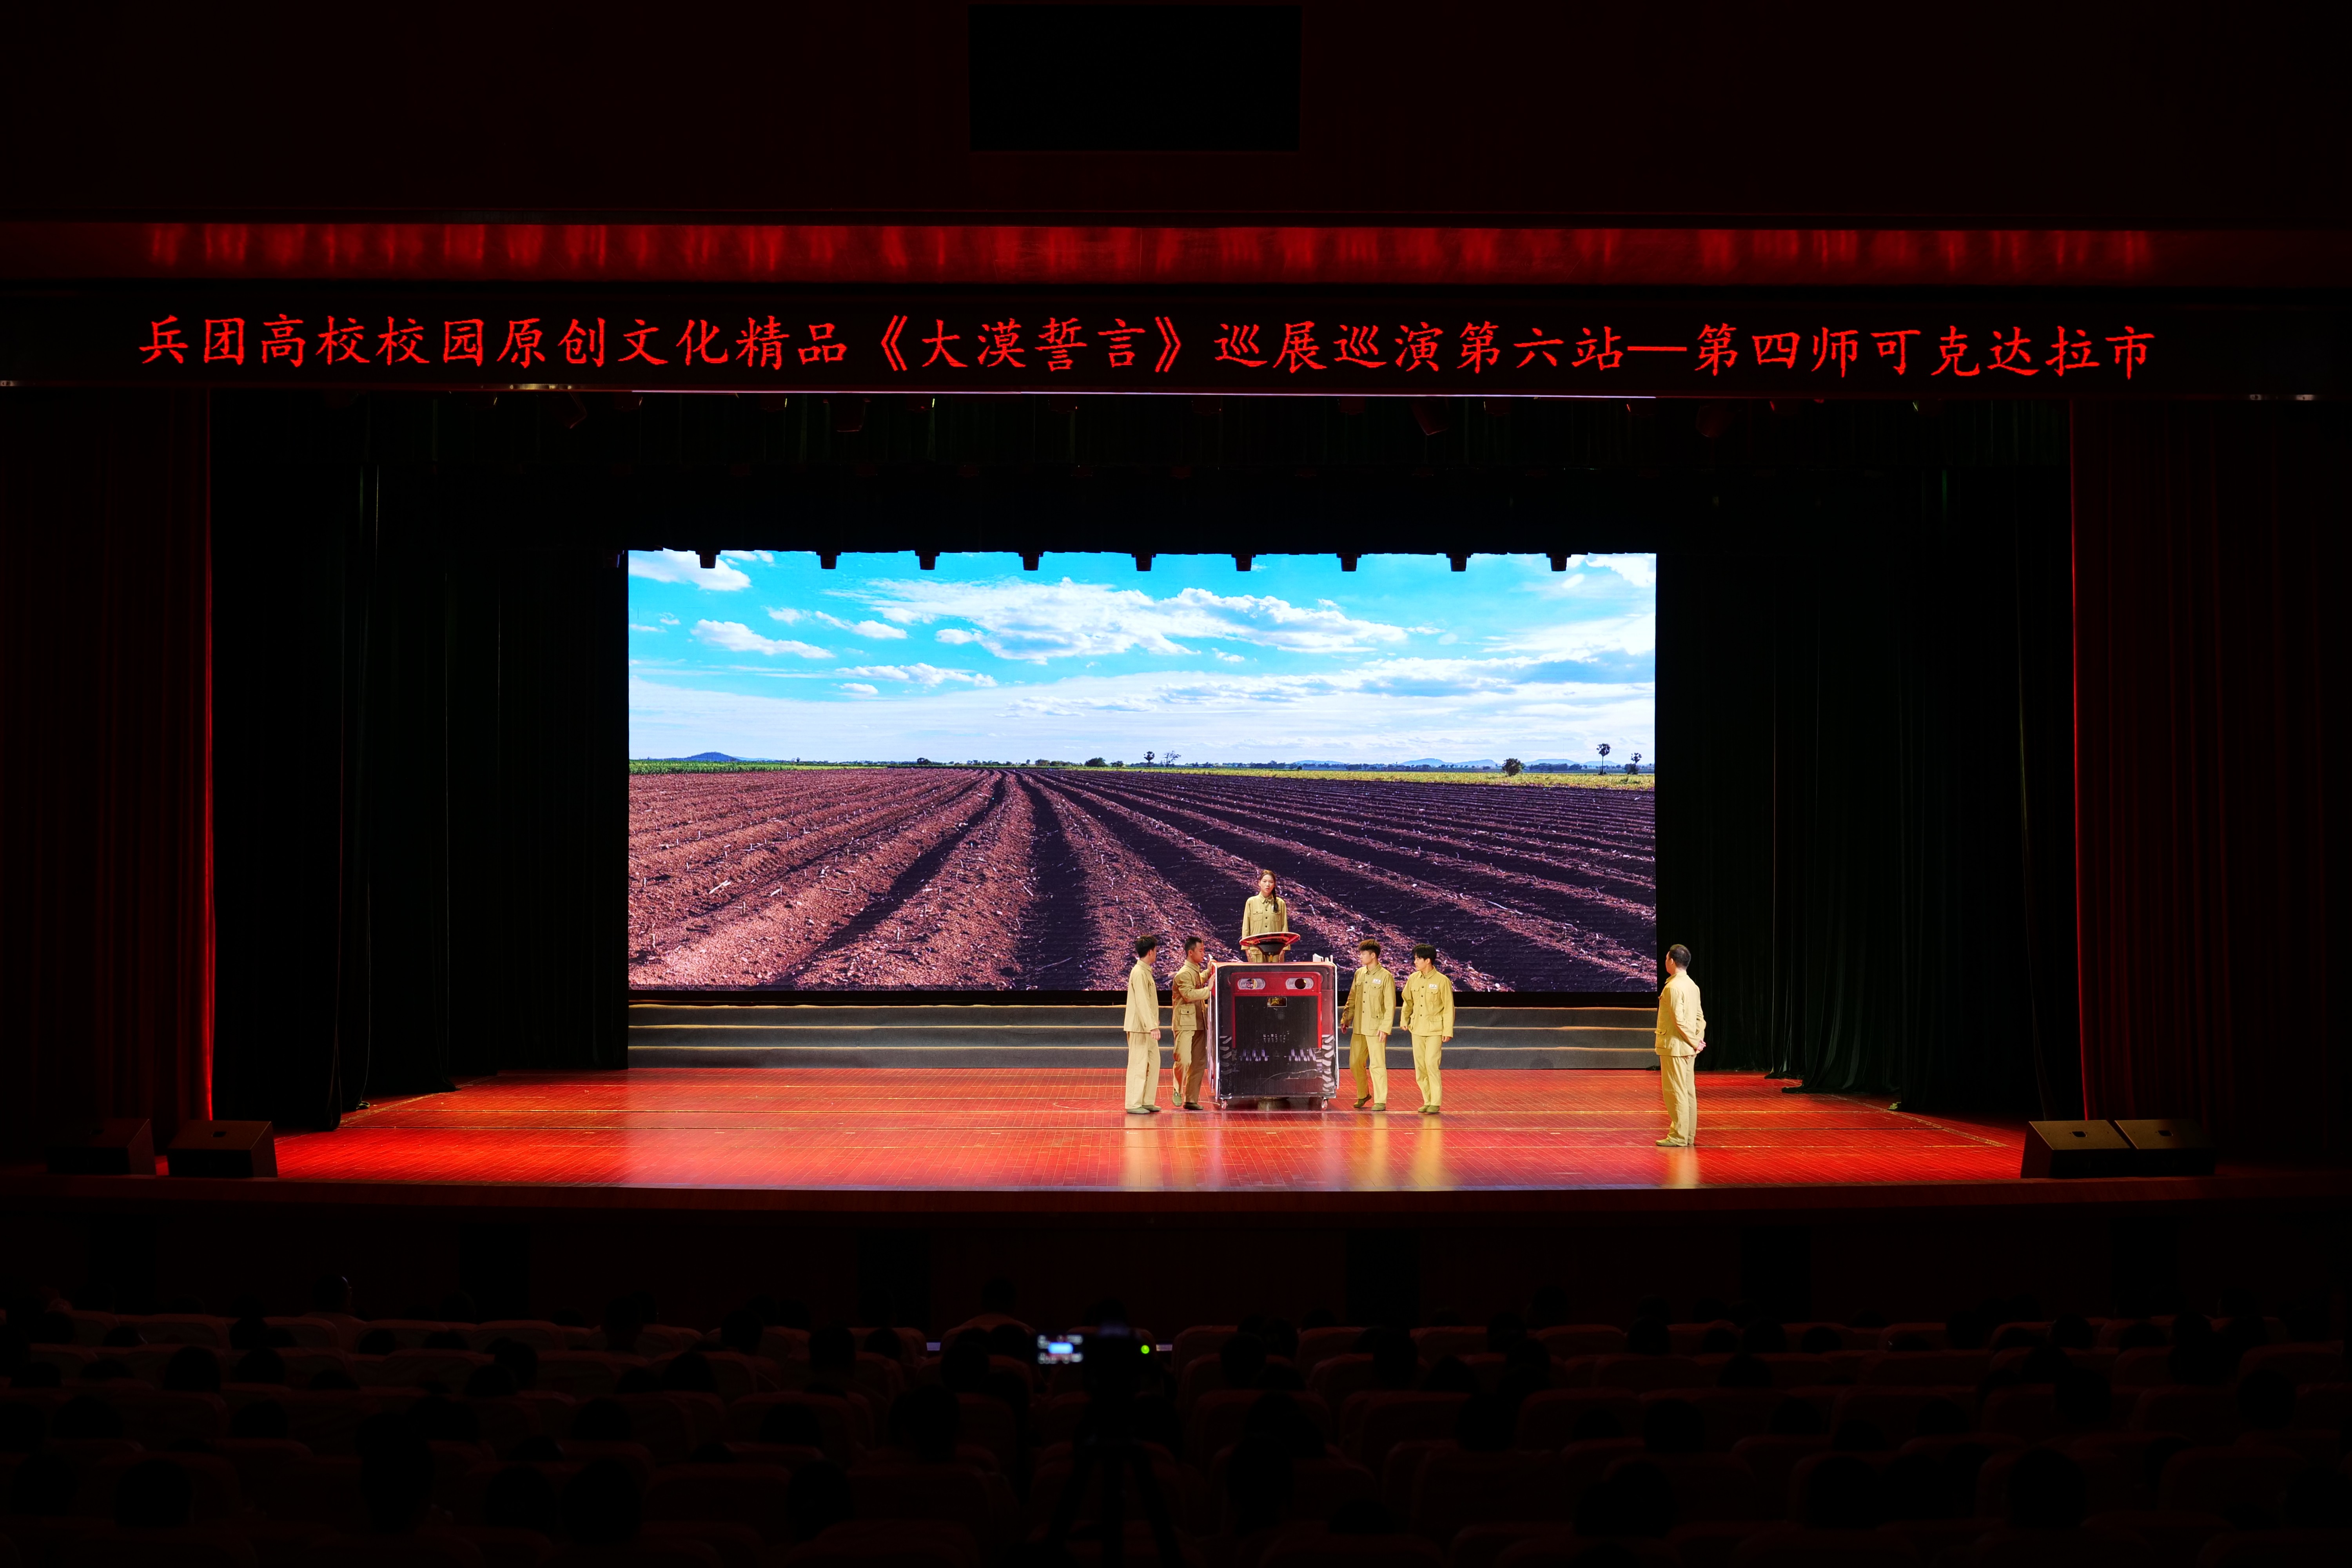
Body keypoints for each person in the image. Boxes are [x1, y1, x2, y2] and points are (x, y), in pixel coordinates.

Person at [1655, 943, 1705, 1146]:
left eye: (1667, 958)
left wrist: (1695, 1042)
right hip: (1688, 1047)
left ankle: (1679, 1136)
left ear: (1672, 962)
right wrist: (1698, 1041)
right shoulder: (1692, 986)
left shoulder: (1673, 987)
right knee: (1687, 1092)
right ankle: (1688, 1135)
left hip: (1675, 1047)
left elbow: (1679, 1020)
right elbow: (1700, 1019)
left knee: (1676, 1092)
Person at [1397, 943, 1454, 1114]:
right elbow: (1408, 1001)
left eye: (1418, 959)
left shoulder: (1442, 981)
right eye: (1415, 959)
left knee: (1431, 1064)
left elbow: (1448, 1007)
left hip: (1435, 1029)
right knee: (1421, 1067)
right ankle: (1427, 1100)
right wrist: (1404, 1019)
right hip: (1417, 1028)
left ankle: (1435, 1102)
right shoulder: (1413, 979)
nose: (1415, 962)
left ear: (1428, 961)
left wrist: (1447, 1030)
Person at [1342, 938, 1396, 1110]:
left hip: (1376, 1028)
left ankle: (1380, 1100)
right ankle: (1363, 1094)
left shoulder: (1385, 976)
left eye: (1363, 954)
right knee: (1355, 1062)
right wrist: (1346, 1019)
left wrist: (1385, 1027)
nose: (1361, 957)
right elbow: (1352, 998)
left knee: (1377, 1064)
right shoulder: (1359, 974)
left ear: (1373, 956)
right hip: (1359, 1026)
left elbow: (1390, 1004)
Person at [1169, 937, 1217, 1111]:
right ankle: (1177, 1089)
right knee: (1184, 1059)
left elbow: (1199, 980)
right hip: (1185, 1024)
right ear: (1191, 953)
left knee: (1198, 1063)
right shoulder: (1183, 974)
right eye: (1201, 951)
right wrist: (1208, 989)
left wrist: (1208, 972)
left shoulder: (1194, 971)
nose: (1203, 953)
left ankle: (1191, 1099)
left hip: (1198, 1021)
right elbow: (1189, 995)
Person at [1123, 934, 1163, 1115]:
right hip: (1140, 1027)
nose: (1156, 953)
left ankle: (1147, 1101)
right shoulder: (1139, 972)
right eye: (1156, 950)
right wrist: (1151, 1026)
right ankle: (1133, 1103)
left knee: (1154, 1063)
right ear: (1151, 952)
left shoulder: (1145, 971)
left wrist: (1154, 1022)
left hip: (1147, 1026)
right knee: (1139, 1064)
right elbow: (1142, 1002)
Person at [1240, 869, 1292, 962]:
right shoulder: (1251, 902)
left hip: (1276, 950)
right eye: (1265, 881)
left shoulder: (1280, 903)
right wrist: (1246, 948)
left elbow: (1284, 927)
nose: (1268, 885)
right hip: (1256, 950)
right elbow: (1246, 927)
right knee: (1257, 972)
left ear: (1274, 885)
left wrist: (1284, 949)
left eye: (1271, 882)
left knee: (1276, 972)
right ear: (1259, 883)